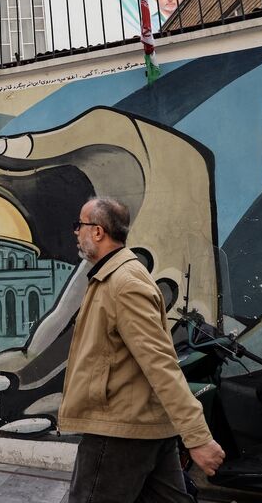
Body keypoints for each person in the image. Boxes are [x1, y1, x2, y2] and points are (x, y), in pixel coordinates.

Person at [62, 197, 226, 503]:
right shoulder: (113, 277)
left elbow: (161, 364)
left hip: (120, 430)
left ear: (97, 231)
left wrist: (198, 437)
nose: (76, 233)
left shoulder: (123, 283)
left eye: (79, 225)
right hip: (142, 426)